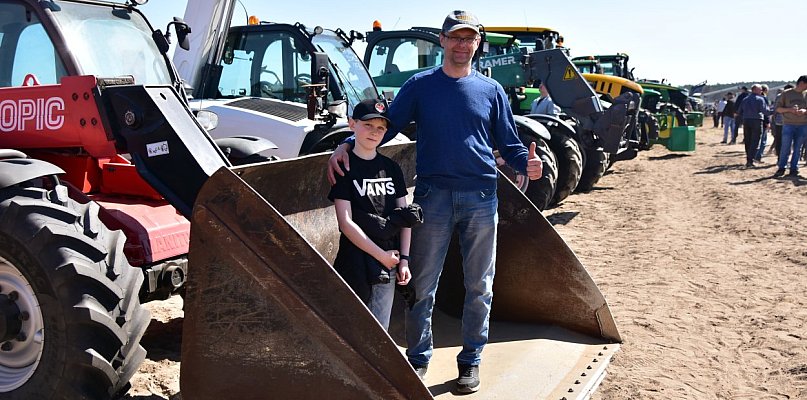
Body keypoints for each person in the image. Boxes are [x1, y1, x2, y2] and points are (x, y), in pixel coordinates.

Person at [327, 10, 543, 394]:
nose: (462, 45)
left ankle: (470, 361)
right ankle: (417, 359)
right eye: (455, 38)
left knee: (480, 285)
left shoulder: (491, 91)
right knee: (423, 283)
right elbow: (384, 125)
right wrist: (345, 144)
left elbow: (508, 142)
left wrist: (524, 161)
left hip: (480, 196)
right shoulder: (420, 86)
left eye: (469, 39)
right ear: (442, 41)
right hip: (433, 197)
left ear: (477, 44)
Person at [328, 98, 413, 330]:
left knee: (380, 329)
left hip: (389, 261)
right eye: (367, 125)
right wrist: (380, 255)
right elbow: (345, 223)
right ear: (351, 124)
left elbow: (405, 217)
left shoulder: (392, 168)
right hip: (355, 260)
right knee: (355, 328)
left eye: (380, 128)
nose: (374, 132)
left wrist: (403, 260)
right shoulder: (344, 166)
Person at [773, 76, 807, 178]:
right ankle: (782, 168)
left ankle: (793, 168)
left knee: (798, 148)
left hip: (803, 125)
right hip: (788, 124)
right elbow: (778, 109)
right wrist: (790, 110)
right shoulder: (786, 94)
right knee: (785, 147)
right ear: (802, 83)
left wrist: (805, 111)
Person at [737, 84, 768, 168]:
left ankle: (748, 159)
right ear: (755, 90)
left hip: (746, 120)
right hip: (757, 121)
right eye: (760, 90)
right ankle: (750, 160)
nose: (761, 91)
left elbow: (739, 111)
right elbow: (765, 111)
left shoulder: (745, 99)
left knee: (748, 140)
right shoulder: (760, 99)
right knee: (755, 140)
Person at [769, 85, 792, 157]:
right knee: (788, 140)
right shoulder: (793, 97)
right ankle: (784, 157)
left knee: (779, 140)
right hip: (790, 122)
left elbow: (775, 109)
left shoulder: (779, 96)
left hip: (779, 122)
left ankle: (780, 157)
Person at [754, 84, 771, 162]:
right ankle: (758, 156)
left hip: (755, 121)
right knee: (763, 140)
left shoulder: (754, 98)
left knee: (755, 139)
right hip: (763, 122)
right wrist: (768, 122)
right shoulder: (764, 99)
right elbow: (766, 112)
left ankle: (753, 155)